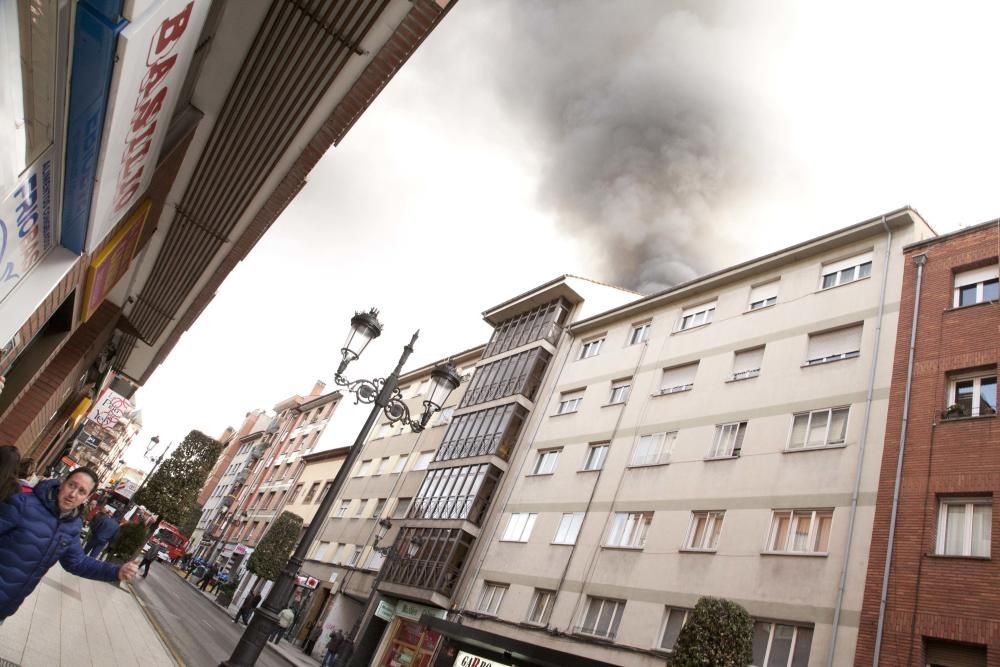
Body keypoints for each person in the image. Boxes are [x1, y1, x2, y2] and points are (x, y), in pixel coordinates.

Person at [0, 467, 138, 622]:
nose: (73, 494)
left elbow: (77, 562)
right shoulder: (23, 504)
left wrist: (116, 571)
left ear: (87, 497)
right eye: (71, 485)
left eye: (81, 491)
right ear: (62, 483)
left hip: (6, 606)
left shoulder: (72, 525)